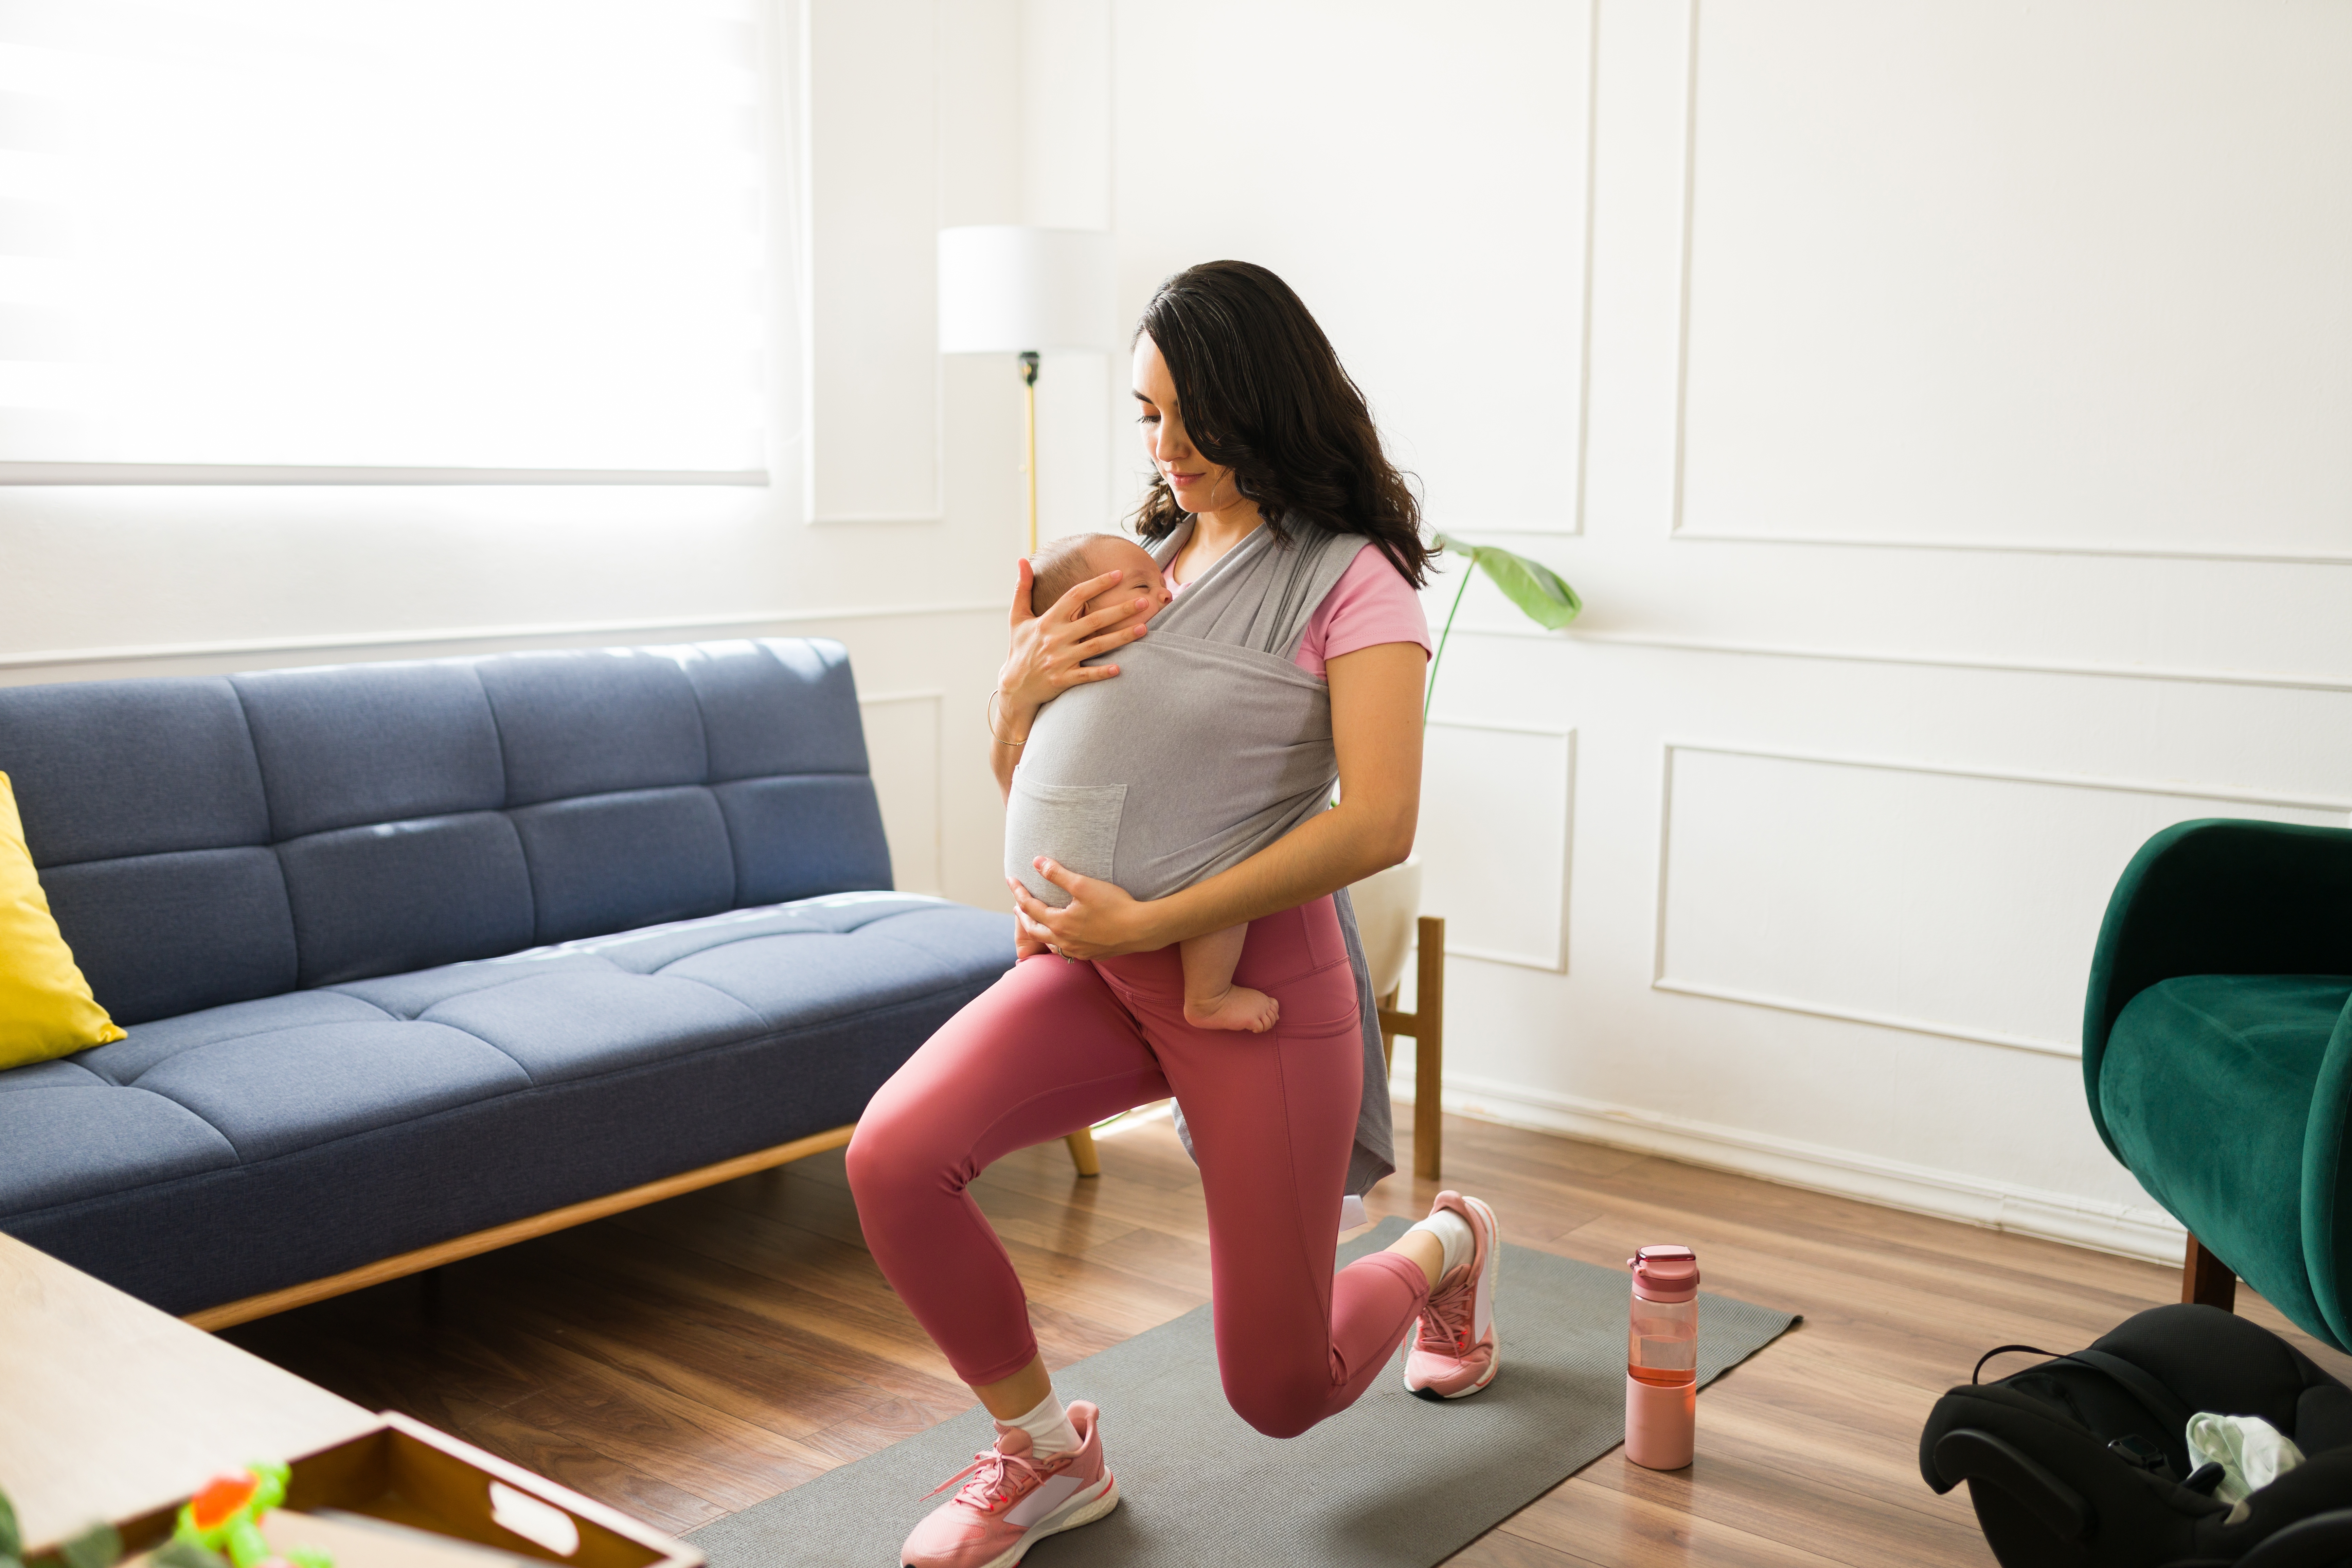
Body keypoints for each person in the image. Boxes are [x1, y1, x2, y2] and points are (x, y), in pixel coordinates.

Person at [847, 261, 1504, 1568]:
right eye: (1148, 415)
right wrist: (1010, 695)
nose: (1170, 447)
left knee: (1282, 1389)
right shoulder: (1135, 563)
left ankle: (1444, 1245)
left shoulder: (1352, 578)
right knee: (892, 1158)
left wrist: (1155, 923)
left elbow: (1378, 822)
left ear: (1269, 399)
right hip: (1096, 964)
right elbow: (1041, 789)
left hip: (1249, 979)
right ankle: (1046, 1451)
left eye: (1194, 415)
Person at [1016, 530, 1277, 1033]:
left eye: (1160, 583)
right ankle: (1209, 996)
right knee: (1231, 849)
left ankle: (1029, 945)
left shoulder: (1057, 671)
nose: (1165, 595)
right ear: (1079, 614)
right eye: (1142, 588)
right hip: (1115, 873)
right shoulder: (1153, 656)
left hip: (1034, 875)